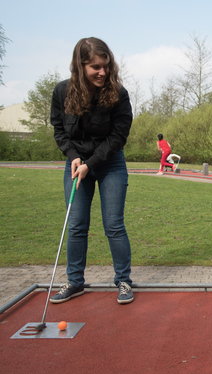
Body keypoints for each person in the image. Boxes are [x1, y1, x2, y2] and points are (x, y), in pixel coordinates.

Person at [50, 37, 134, 304]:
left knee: (114, 225)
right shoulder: (62, 92)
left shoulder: (118, 94)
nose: (102, 72)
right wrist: (74, 156)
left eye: (106, 66)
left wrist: (90, 164)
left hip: (110, 164)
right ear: (80, 65)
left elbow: (118, 137)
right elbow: (59, 129)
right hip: (76, 164)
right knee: (76, 226)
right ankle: (75, 282)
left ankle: (123, 281)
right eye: (95, 67)